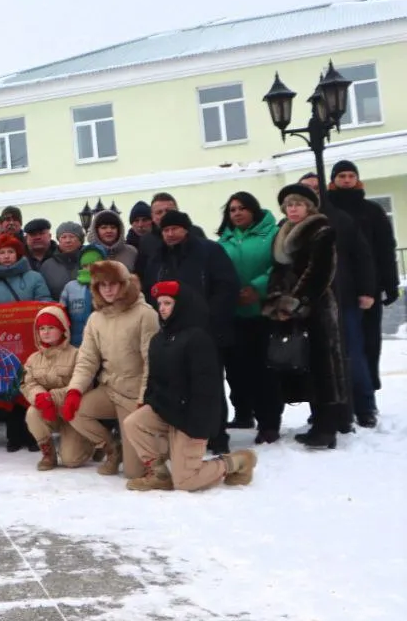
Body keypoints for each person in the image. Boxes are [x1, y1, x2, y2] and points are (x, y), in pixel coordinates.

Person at [123, 282, 257, 492]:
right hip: (166, 410)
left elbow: (207, 388)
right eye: (159, 303)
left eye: (168, 303)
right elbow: (154, 378)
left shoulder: (198, 338)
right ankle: (159, 473)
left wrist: (198, 425)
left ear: (182, 305)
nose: (162, 308)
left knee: (186, 482)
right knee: (133, 423)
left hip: (192, 418)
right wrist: (149, 402)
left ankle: (237, 462)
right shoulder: (159, 339)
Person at [141, 209, 240, 453]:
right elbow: (149, 292)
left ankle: (216, 436)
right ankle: (186, 432)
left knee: (210, 384)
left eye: (175, 229)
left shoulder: (208, 251)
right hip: (171, 332)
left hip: (204, 331)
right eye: (165, 230)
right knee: (178, 383)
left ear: (186, 229)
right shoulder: (157, 258)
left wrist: (209, 317)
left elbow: (226, 286)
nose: (170, 234)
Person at [261, 184, 347, 449]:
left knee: (323, 365)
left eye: (298, 204)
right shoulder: (282, 233)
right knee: (304, 364)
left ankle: (327, 428)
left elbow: (319, 273)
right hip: (292, 310)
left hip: (316, 307)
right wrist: (276, 301)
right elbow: (277, 271)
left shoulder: (321, 231)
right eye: (289, 205)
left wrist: (294, 303)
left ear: (309, 207)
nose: (293, 209)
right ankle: (317, 423)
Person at [61, 260, 159, 479]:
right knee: (75, 410)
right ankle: (113, 449)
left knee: (134, 474)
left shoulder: (145, 314)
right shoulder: (96, 318)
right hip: (109, 389)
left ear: (124, 284)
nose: (107, 289)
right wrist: (75, 390)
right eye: (101, 285)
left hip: (134, 396)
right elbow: (87, 360)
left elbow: (152, 363)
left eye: (113, 284)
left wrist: (145, 398)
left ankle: (157, 448)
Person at [299, 172, 375, 432]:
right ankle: (325, 410)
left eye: (315, 187)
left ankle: (364, 408)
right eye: (305, 189)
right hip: (311, 304)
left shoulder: (340, 219)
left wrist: (367, 290)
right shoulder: (293, 225)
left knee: (351, 353)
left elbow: (362, 256)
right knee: (318, 360)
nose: (311, 192)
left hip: (343, 298)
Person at [328, 160, 396, 425]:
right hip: (340, 290)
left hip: (368, 288)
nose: (347, 180)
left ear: (357, 179)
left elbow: (385, 250)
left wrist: (388, 285)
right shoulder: (329, 211)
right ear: (333, 180)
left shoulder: (372, 211)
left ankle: (367, 402)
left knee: (367, 345)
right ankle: (346, 402)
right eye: (342, 176)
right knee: (342, 348)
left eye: (351, 175)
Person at [216, 192, 282, 442]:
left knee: (265, 371)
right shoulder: (224, 240)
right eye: (232, 210)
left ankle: (269, 423)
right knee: (238, 370)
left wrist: (258, 287)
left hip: (264, 313)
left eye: (242, 208)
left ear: (254, 210)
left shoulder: (272, 235)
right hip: (234, 314)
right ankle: (245, 412)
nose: (237, 213)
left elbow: (279, 266)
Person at [20, 305, 93, 471]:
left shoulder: (76, 355)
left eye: (51, 328)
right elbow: (27, 383)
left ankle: (90, 444)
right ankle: (48, 453)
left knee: (71, 460)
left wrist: (52, 397)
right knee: (32, 412)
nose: (45, 332)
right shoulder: (33, 359)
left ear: (63, 329)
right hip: (47, 410)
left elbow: (84, 383)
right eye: (42, 328)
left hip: (72, 413)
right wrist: (40, 397)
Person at [0, 234, 52, 305]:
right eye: (2, 253)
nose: (6, 256)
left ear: (17, 254)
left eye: (10, 252)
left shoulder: (35, 277)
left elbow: (45, 303)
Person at [59, 246, 104, 346]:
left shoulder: (107, 286)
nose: (88, 269)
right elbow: (62, 314)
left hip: (103, 342)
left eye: (93, 265)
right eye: (85, 266)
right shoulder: (70, 287)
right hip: (75, 343)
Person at [38, 223, 83, 301]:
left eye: (72, 236)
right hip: (57, 309)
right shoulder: (47, 265)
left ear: (80, 240)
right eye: (63, 237)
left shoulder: (89, 261)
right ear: (59, 240)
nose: (68, 241)